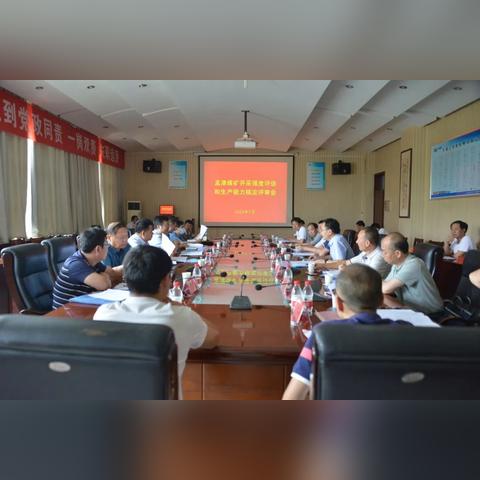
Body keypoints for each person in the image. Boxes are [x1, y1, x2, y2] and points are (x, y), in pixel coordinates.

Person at [93, 246, 218, 394]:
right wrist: (178, 305)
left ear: (126, 278)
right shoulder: (180, 316)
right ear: (166, 281)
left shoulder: (103, 313)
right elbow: (213, 338)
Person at [282, 264, 403, 400]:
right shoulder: (405, 332)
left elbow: (291, 398)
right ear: (381, 301)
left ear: (338, 303)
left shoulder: (323, 336)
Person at [53, 227, 121, 308]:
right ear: (98, 249)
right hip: (64, 311)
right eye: (106, 244)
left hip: (81, 306)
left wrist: (105, 276)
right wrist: (105, 276)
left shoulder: (91, 260)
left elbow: (112, 273)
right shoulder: (75, 264)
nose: (108, 247)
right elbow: (104, 285)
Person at [382, 232, 443, 315]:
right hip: (411, 308)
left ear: (398, 254)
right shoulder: (396, 264)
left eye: (385, 252)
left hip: (431, 313)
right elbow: (386, 285)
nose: (382, 255)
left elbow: (385, 288)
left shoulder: (414, 264)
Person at [315, 226, 391, 279]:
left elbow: (368, 279)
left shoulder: (379, 256)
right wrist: (322, 265)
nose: (356, 242)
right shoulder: (365, 252)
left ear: (367, 243)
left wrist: (347, 271)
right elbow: (345, 263)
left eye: (358, 239)